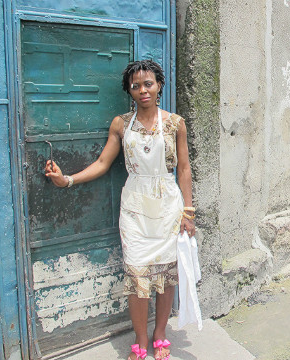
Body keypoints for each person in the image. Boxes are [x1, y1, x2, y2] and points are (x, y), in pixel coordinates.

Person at [45, 59, 194, 360]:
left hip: (168, 205)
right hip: (135, 207)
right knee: (136, 273)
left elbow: (184, 169)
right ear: (129, 89)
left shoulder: (176, 123)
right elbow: (102, 163)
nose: (143, 90)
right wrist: (67, 180)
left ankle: (160, 333)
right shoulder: (121, 124)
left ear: (159, 85)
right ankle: (141, 339)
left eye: (148, 84)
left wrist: (188, 212)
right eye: (135, 85)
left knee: (166, 276)